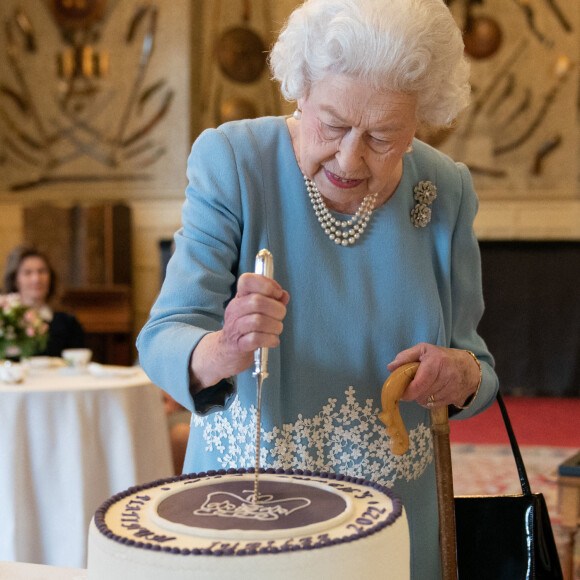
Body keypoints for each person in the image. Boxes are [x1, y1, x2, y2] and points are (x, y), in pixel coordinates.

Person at [137, 0, 499, 577]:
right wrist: (225, 348)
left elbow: (476, 362)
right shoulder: (234, 161)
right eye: (332, 124)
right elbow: (161, 340)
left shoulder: (445, 189)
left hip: (395, 523)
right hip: (251, 515)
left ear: (419, 123)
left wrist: (460, 374)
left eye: (383, 136)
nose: (350, 157)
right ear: (299, 90)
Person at [3, 245, 85, 357]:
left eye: (42, 271)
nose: (36, 279)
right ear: (15, 280)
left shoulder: (68, 323)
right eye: (28, 272)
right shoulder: (5, 321)